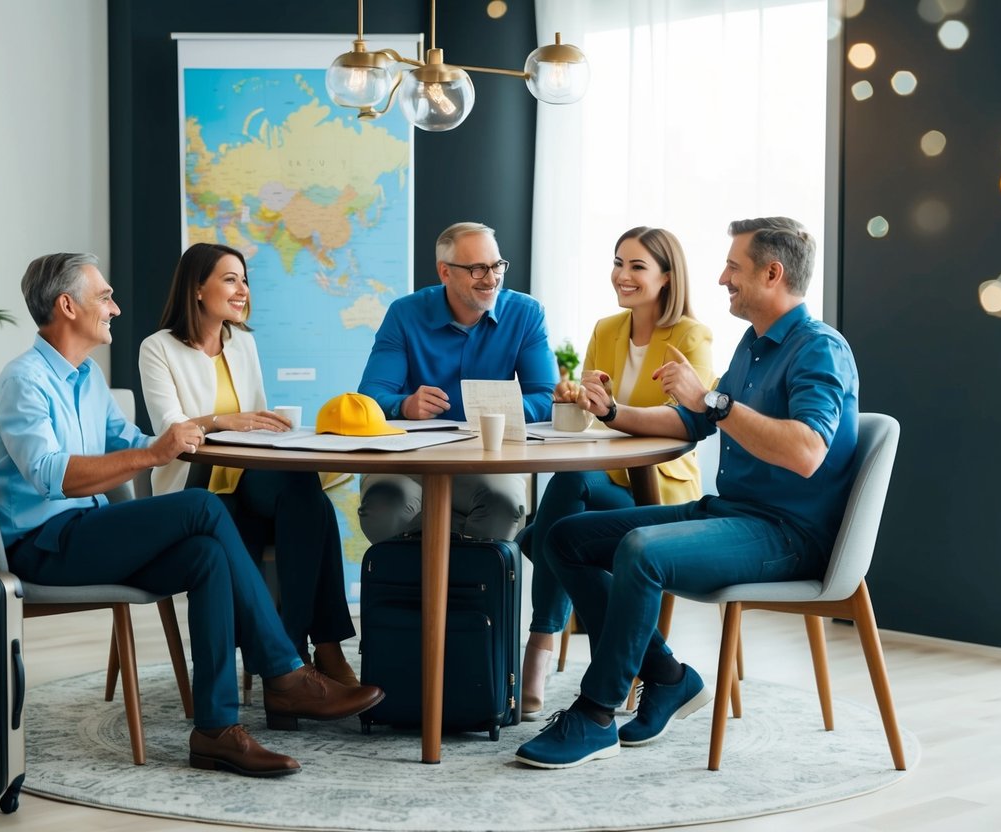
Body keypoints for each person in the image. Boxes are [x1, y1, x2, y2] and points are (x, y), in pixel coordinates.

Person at [0, 252, 383, 778]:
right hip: (43, 546)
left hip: (86, 533)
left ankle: (216, 732)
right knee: (200, 505)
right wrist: (154, 453)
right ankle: (285, 674)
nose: (115, 308)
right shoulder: (24, 381)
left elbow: (131, 442)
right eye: (104, 297)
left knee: (205, 556)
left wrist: (169, 441)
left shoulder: (86, 379)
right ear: (67, 305)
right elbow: (51, 476)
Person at [514, 217, 859, 769]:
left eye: (734, 266)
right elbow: (694, 422)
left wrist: (714, 403)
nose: (722, 277)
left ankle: (596, 714)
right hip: (731, 513)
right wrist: (615, 412)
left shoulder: (819, 349)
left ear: (773, 273)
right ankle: (668, 677)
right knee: (561, 538)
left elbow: (806, 452)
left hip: (788, 533)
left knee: (642, 551)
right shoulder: (754, 345)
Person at [138, 243, 358, 685]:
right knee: (307, 508)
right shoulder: (157, 348)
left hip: (248, 481)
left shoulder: (243, 343)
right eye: (230, 279)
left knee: (307, 497)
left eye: (245, 280)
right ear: (197, 289)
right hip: (196, 489)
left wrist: (278, 430)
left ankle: (303, 653)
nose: (243, 290)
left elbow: (254, 424)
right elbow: (172, 430)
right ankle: (312, 653)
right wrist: (222, 421)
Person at [518, 227, 714, 721]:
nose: (622, 276)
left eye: (637, 266)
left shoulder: (691, 336)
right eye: (618, 263)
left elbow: (687, 421)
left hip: (662, 487)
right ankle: (656, 667)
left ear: (667, 277)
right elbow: (594, 412)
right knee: (557, 509)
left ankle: (539, 651)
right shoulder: (607, 329)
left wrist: (611, 412)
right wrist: (576, 401)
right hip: (607, 481)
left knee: (538, 539)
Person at [356, 221, 557, 542]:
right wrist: (404, 405)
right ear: (445, 272)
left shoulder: (526, 314)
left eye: (496, 266)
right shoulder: (404, 314)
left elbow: (548, 398)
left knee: (504, 504)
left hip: (487, 460)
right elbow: (368, 399)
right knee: (384, 506)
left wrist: (497, 410)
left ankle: (471, 589)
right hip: (410, 460)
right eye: (477, 269)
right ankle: (412, 589)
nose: (491, 279)